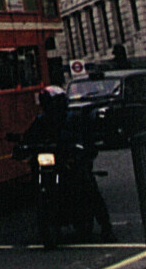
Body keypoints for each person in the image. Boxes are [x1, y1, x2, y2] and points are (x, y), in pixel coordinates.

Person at [19, 85, 114, 242]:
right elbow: (29, 137)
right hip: (49, 162)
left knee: (89, 186)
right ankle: (46, 216)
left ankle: (106, 227)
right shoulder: (41, 121)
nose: (50, 106)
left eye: (52, 102)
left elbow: (86, 138)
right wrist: (22, 147)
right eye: (47, 103)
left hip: (70, 161)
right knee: (35, 180)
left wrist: (81, 148)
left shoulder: (73, 119)